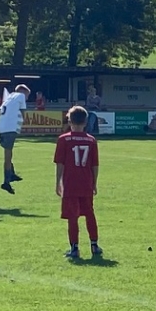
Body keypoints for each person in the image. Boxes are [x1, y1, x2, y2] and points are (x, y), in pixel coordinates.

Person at [55, 105, 101, 262]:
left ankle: (74, 248)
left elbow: (60, 163)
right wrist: (94, 183)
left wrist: (58, 182)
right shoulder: (91, 140)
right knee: (90, 213)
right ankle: (94, 244)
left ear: (69, 121)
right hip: (86, 182)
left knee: (72, 216)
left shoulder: (63, 139)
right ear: (86, 122)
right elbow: (95, 165)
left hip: (70, 183)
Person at [0, 83, 29, 193]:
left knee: (8, 152)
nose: (27, 98)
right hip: (9, 128)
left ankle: (11, 173)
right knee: (8, 154)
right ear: (23, 92)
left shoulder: (9, 97)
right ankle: (6, 182)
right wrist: (23, 123)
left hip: (2, 127)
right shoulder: (20, 96)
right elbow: (23, 112)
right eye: (27, 95)